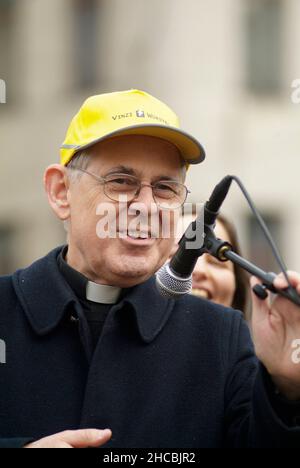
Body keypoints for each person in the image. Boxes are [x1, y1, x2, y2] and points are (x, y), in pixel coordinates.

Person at [0, 89, 300, 448]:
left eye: (164, 188)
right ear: (61, 192)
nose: (146, 206)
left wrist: (288, 388)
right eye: (121, 182)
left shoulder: (219, 336)